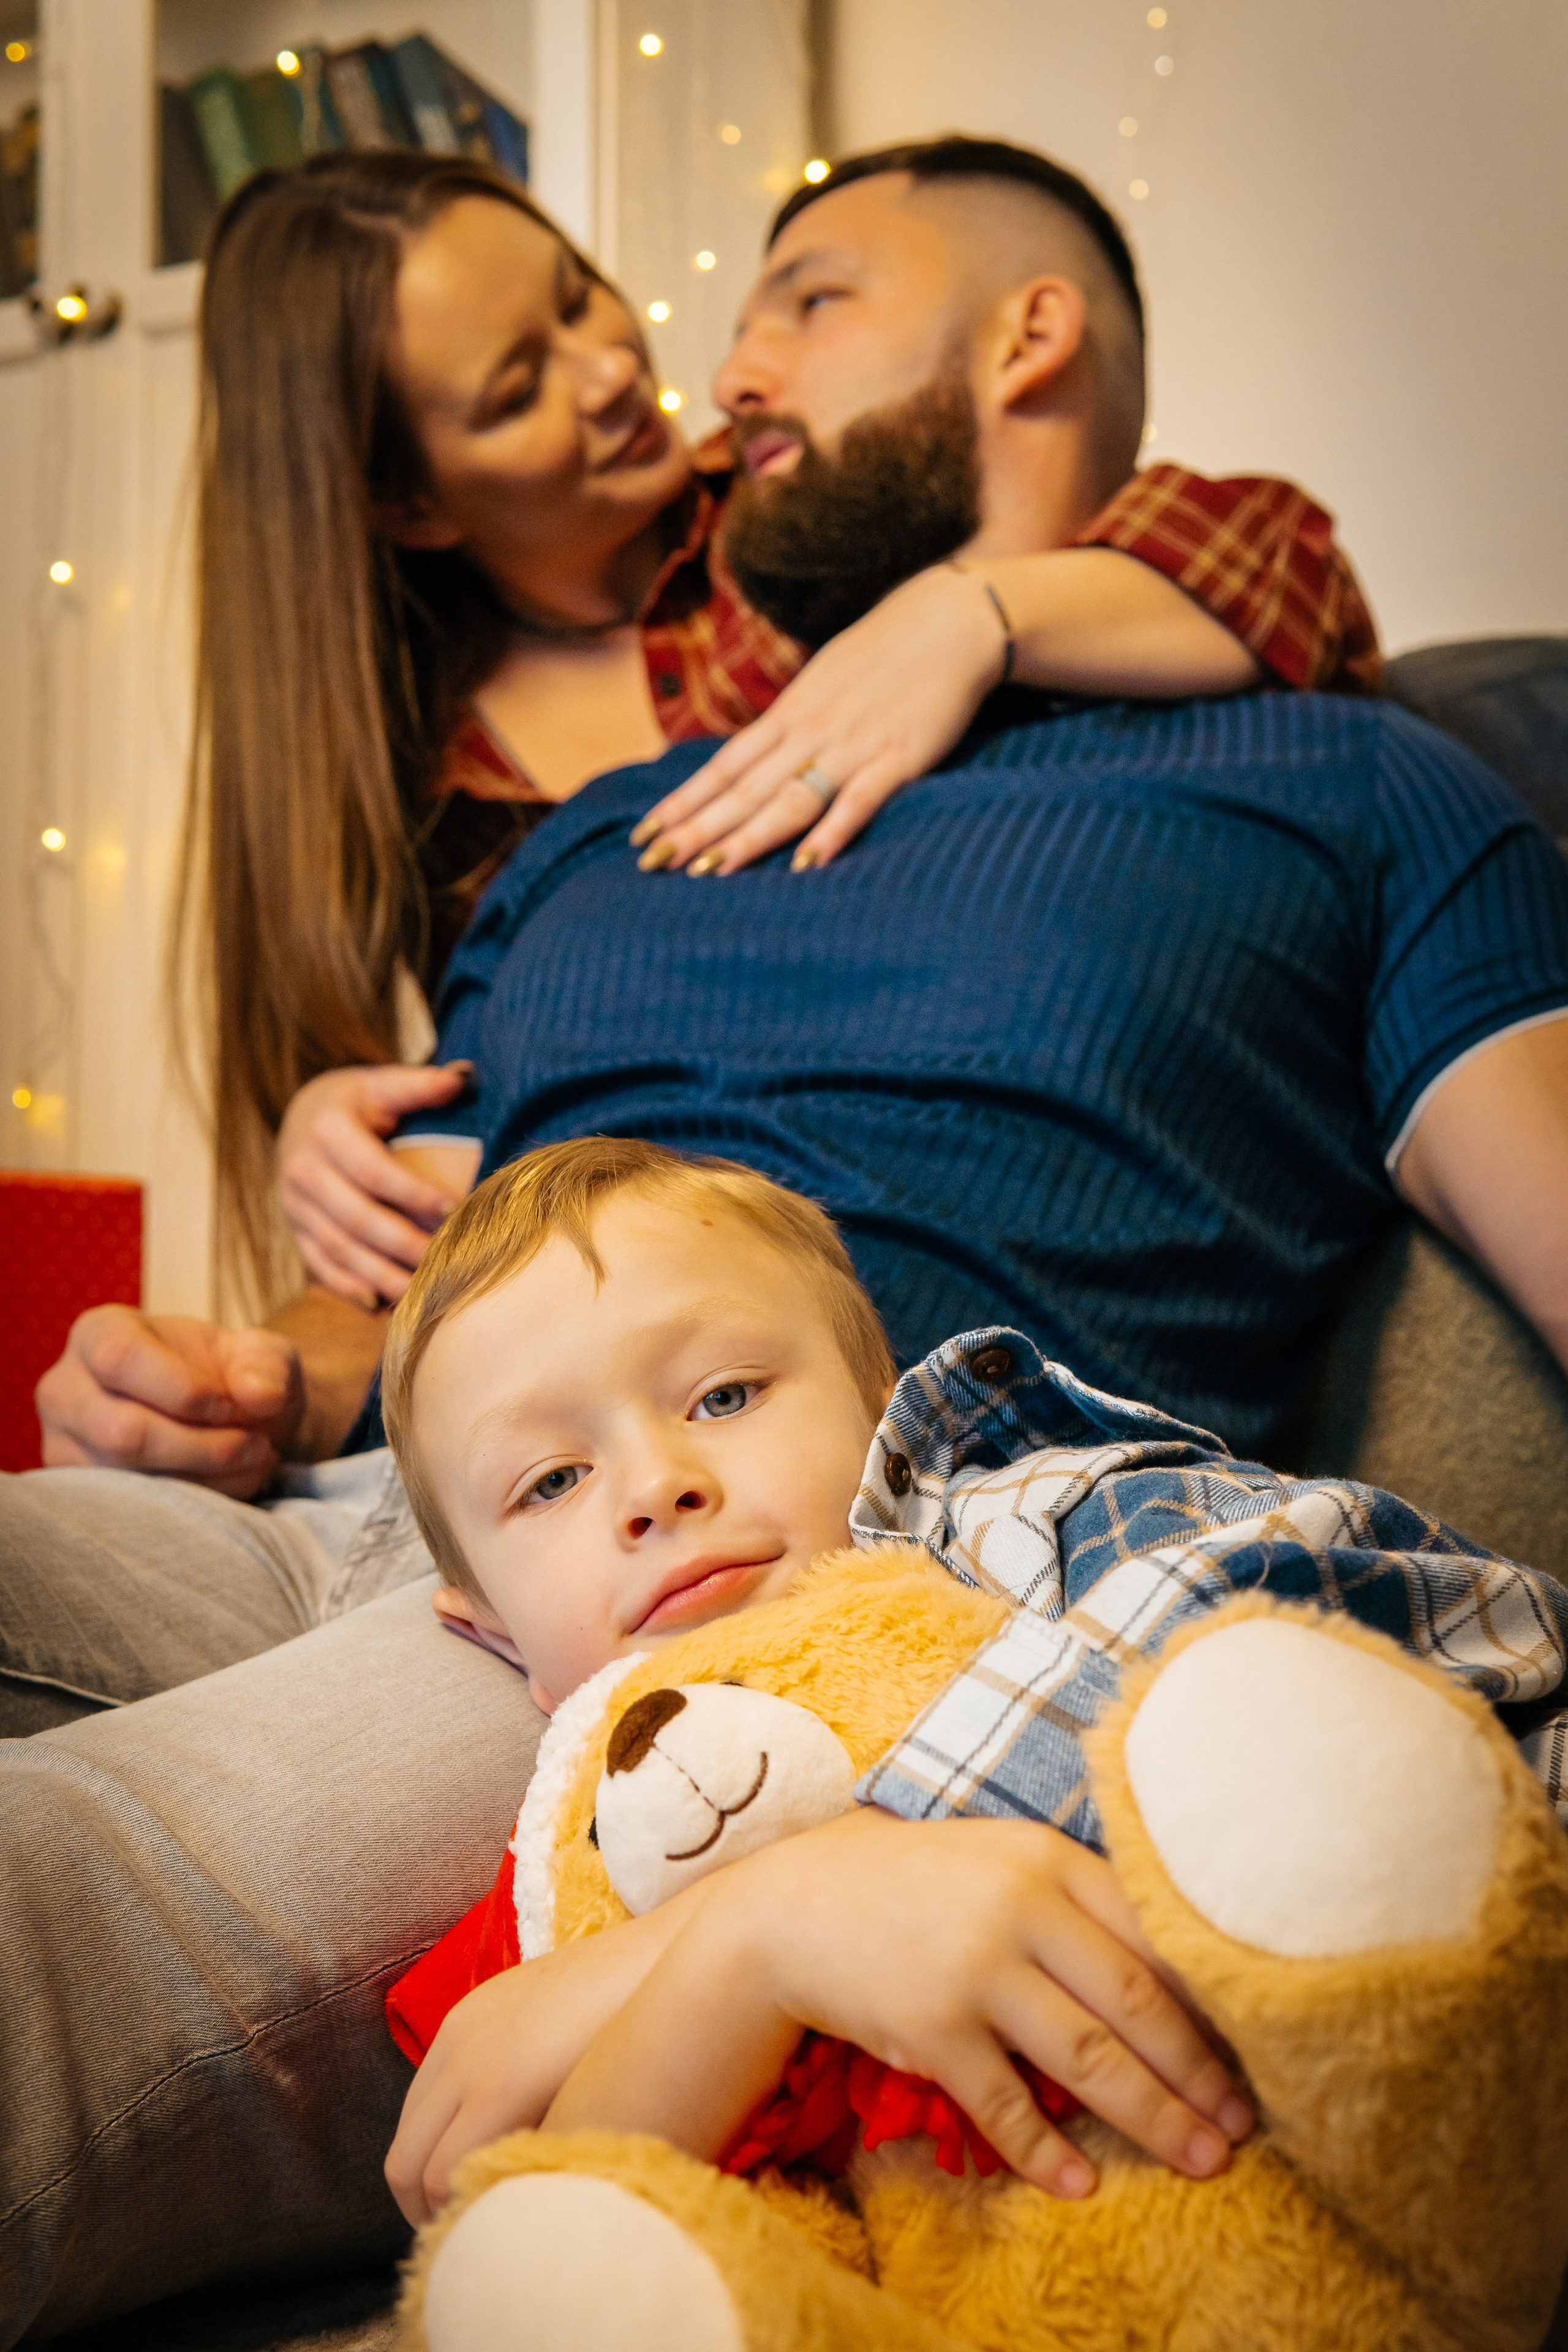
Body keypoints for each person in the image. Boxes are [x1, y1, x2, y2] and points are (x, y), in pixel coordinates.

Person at [2, 140, 1558, 2345]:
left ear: (1019, 338)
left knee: (38, 1900)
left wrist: (991, 613)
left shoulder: (1343, 780)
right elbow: (470, 1268)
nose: (721, 373)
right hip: (382, 1508)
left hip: (692, 1584)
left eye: (807, 298)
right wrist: (265, 1361)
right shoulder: (614, 826)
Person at [183, 140, 1377, 1312]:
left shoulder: (791, 527)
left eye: (575, 296)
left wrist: (968, 616)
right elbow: (484, 1109)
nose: (607, 371)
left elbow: (1273, 561)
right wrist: (339, 1122)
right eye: (515, 390)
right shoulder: (414, 778)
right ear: (408, 503)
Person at [367, 1136, 1566, 2242]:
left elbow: (1262, 1636)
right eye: (551, 1479)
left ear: (874, 1410)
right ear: (487, 1629)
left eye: (723, 1397)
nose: (652, 1484)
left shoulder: (1010, 1524)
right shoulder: (561, 1887)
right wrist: (740, 1953)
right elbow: (554, 2241)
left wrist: (842, 1863)